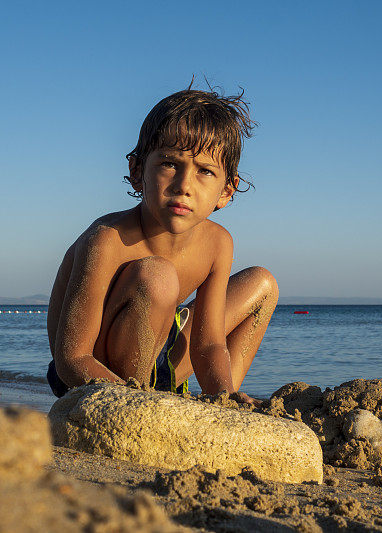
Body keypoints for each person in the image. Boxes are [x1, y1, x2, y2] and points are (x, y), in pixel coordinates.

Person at [46, 85, 278, 405]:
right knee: (158, 277)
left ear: (227, 190)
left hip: (160, 362)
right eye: (170, 164)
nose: (184, 186)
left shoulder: (217, 243)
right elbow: (71, 359)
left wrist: (224, 395)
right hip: (92, 376)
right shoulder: (107, 239)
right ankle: (145, 402)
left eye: (205, 171)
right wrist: (139, 404)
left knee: (262, 285)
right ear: (137, 171)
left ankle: (224, 408)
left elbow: (208, 345)